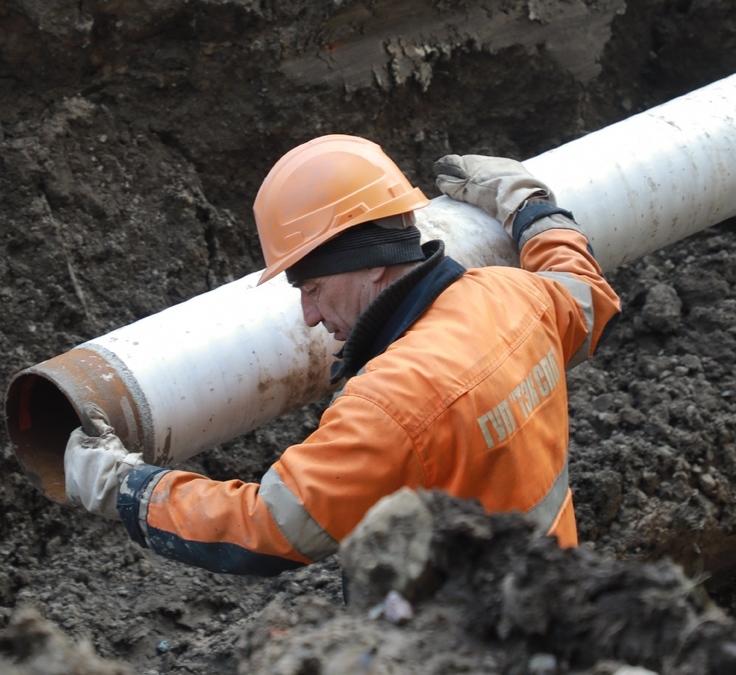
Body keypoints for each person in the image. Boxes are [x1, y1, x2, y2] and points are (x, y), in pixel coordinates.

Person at [63, 134, 621, 575]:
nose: (308, 316)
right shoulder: (512, 296)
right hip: (553, 608)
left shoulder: (394, 402)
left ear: (373, 262)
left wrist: (123, 486)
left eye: (311, 289)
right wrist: (528, 205)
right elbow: (585, 293)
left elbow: (270, 528)